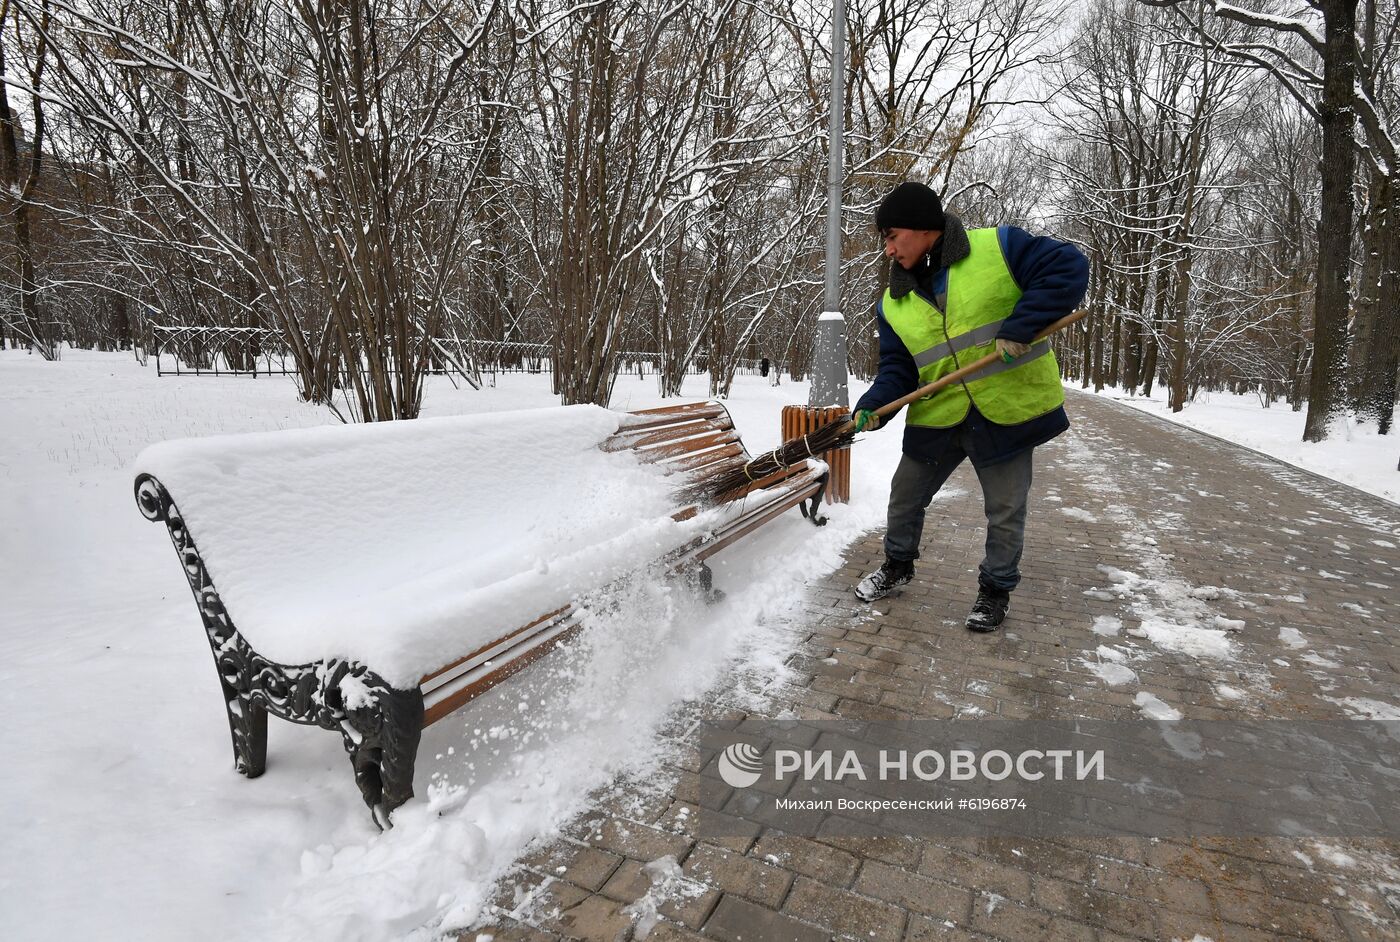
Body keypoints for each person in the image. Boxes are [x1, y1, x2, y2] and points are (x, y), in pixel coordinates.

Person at [851, 181, 1089, 631]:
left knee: (1005, 509)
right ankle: (898, 566)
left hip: (1005, 412)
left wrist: (1022, 325)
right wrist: (875, 404)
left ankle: (994, 592)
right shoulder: (892, 302)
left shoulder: (998, 247)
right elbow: (898, 369)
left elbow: (1068, 265)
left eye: (891, 235)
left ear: (922, 228)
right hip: (939, 415)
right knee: (904, 497)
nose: (888, 250)